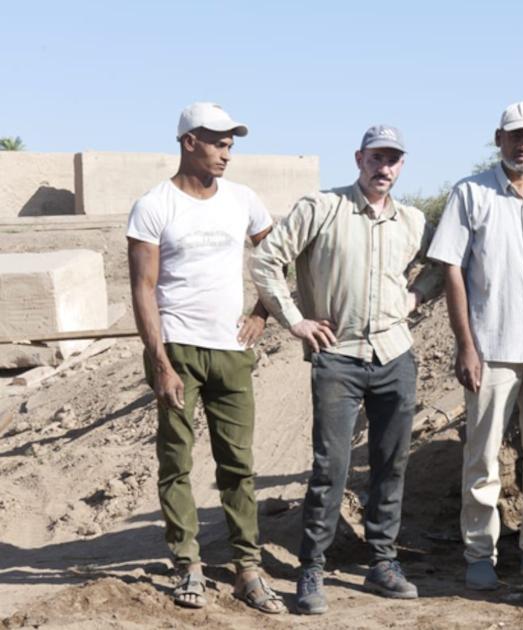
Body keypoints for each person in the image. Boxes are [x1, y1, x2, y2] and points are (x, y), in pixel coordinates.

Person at [251, 124, 443, 613]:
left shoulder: (413, 221)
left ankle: (383, 562)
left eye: (393, 160)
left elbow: (441, 262)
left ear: (402, 166)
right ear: (359, 158)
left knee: (390, 462)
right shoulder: (322, 208)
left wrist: (417, 294)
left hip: (394, 354)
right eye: (376, 158)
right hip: (339, 356)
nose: (384, 168)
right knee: (330, 467)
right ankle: (311, 568)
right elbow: (267, 260)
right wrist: (295, 321)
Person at [127, 102, 283, 613]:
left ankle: (247, 568)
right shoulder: (154, 205)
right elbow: (143, 289)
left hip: (233, 351)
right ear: (189, 142)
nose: (227, 153)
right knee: (175, 460)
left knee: (238, 463)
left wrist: (262, 311)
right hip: (178, 348)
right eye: (218, 142)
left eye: (231, 144)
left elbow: (275, 256)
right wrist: (160, 361)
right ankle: (187, 564)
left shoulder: (243, 200)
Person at [427, 102, 523, 591]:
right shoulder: (470, 193)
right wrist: (465, 345)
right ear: (498, 139)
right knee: (483, 454)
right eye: (515, 136)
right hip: (492, 346)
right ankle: (480, 553)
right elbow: (451, 267)